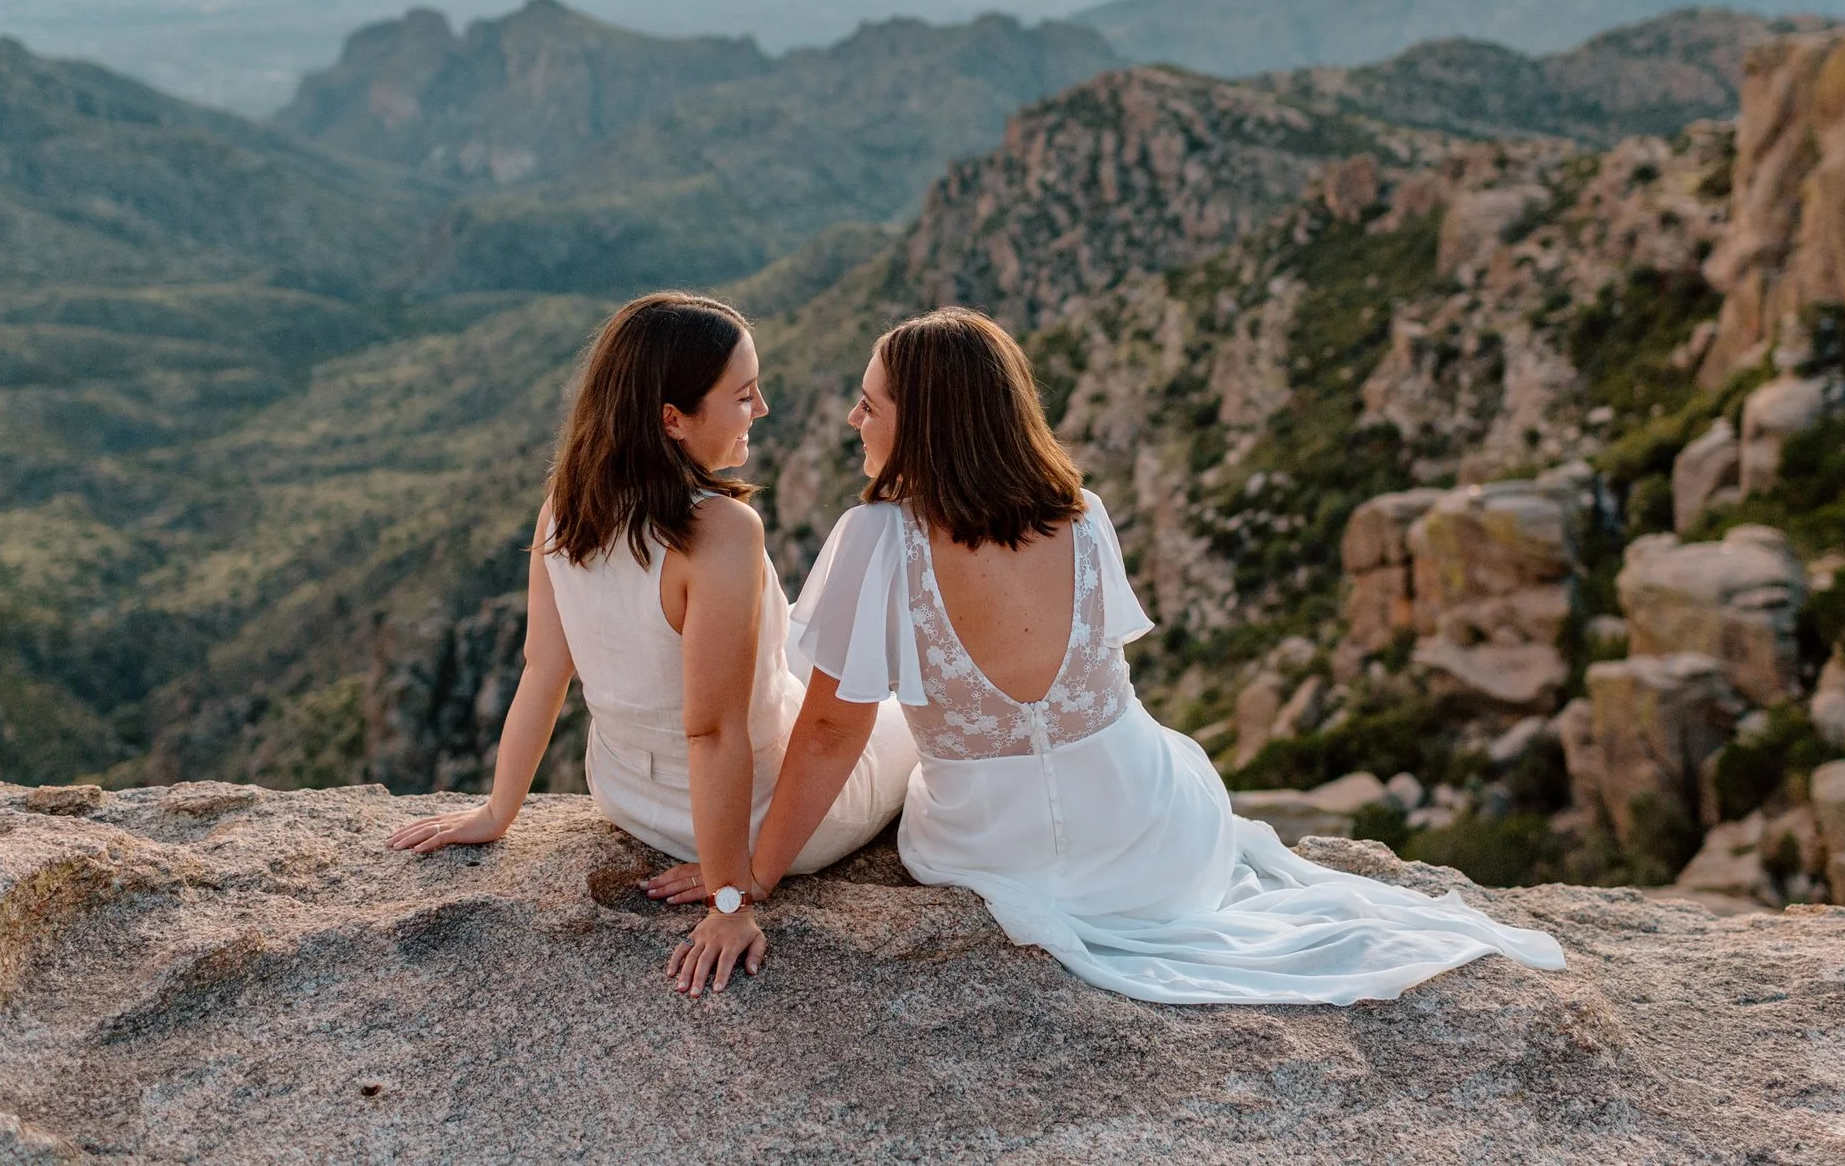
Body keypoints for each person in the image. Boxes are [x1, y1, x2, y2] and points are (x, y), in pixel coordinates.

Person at [656, 305, 1565, 1005]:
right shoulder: (1083, 515)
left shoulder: (879, 538)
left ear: (927, 423)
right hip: (1146, 830)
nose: (854, 416)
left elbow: (826, 734)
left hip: (989, 845)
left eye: (872, 401)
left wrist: (748, 881)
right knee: (1163, 749)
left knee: (884, 723)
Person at [389, 291, 915, 995]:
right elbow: (713, 730)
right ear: (673, 418)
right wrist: (733, 898)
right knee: (909, 709)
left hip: (628, 794)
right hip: (758, 819)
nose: (760, 409)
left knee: (791, 650)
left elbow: (544, 670)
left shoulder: (566, 507)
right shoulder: (720, 532)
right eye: (744, 395)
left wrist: (498, 810)